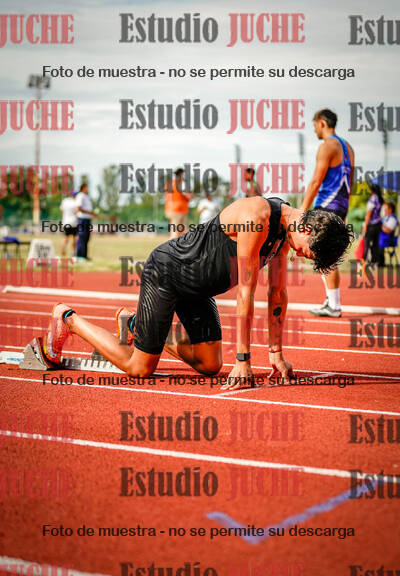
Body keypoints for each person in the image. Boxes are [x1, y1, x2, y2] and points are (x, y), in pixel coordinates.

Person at [38, 196, 352, 391]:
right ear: (306, 229)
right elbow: (246, 293)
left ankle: (134, 324)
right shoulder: (256, 218)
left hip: (199, 290)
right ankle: (68, 319)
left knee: (209, 365)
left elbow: (277, 294)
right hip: (167, 274)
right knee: (139, 369)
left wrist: (276, 355)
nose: (302, 256)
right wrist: (243, 361)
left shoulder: (287, 231)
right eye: (308, 251)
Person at [301, 109, 354, 317]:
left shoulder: (327, 146)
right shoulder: (348, 147)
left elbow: (316, 181)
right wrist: (344, 211)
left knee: (324, 254)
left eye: (315, 125)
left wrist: (302, 211)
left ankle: (334, 304)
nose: (314, 130)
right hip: (340, 206)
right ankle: (332, 300)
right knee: (325, 253)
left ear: (322, 123)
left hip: (326, 206)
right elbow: (350, 183)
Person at [164, 168, 193, 239]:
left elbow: (166, 195)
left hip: (169, 209)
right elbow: (189, 196)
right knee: (176, 233)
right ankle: (171, 246)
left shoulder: (169, 183)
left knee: (182, 231)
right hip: (178, 210)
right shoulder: (181, 183)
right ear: (181, 174)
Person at [362, 183, 384, 265]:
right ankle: (375, 262)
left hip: (371, 225)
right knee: (375, 244)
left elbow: (369, 214)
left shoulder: (372, 199)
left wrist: (365, 226)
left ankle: (363, 261)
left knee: (367, 244)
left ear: (372, 190)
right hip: (379, 224)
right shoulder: (380, 199)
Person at [75, 183, 94, 261]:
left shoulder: (86, 196)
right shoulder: (80, 196)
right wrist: (89, 212)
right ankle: (79, 255)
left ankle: (84, 255)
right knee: (82, 236)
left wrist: (91, 214)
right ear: (83, 188)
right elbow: (78, 208)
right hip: (82, 219)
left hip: (87, 219)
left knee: (87, 237)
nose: (88, 189)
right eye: (87, 188)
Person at [378, 201, 398, 266]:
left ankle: (380, 262)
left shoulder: (392, 219)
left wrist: (379, 225)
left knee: (377, 240)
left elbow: (388, 231)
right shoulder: (386, 217)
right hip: (384, 238)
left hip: (389, 239)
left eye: (386, 209)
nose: (384, 210)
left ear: (390, 210)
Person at [60, 191, 78, 257]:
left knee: (66, 238)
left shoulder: (65, 201)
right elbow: (77, 212)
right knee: (75, 238)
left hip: (65, 222)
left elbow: (61, 211)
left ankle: (63, 251)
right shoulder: (76, 202)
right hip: (74, 222)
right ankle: (73, 252)